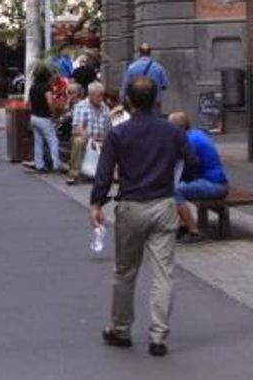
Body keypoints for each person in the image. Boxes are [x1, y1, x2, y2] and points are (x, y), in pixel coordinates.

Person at [90, 78, 198, 357]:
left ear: (128, 100)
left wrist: (96, 203)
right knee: (163, 273)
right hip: (163, 204)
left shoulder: (119, 133)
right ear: (157, 100)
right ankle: (158, 335)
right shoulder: (172, 131)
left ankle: (121, 329)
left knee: (125, 271)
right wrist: (174, 176)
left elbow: (104, 171)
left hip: (131, 205)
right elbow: (192, 161)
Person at [168, 112, 229, 241]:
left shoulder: (189, 141)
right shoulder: (195, 134)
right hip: (217, 182)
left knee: (172, 191)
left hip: (213, 185)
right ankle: (183, 225)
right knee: (175, 188)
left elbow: (186, 164)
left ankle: (193, 230)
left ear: (177, 128)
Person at [66, 83, 112, 185]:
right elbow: (77, 128)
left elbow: (109, 128)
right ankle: (73, 173)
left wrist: (104, 139)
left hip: (101, 138)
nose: (101, 98)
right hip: (87, 137)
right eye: (98, 96)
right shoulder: (81, 106)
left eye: (102, 96)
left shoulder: (105, 107)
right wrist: (91, 139)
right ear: (90, 95)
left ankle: (112, 174)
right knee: (79, 141)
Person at [27, 64, 59, 173]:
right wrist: (53, 114)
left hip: (34, 116)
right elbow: (49, 102)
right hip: (44, 118)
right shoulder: (46, 88)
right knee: (53, 141)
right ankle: (56, 164)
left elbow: (29, 103)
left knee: (38, 141)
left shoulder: (32, 87)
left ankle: (39, 164)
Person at [121, 44, 169, 110]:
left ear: (140, 53)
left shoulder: (131, 68)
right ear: (150, 53)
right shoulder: (159, 68)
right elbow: (165, 85)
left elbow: (125, 87)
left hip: (137, 103)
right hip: (154, 102)